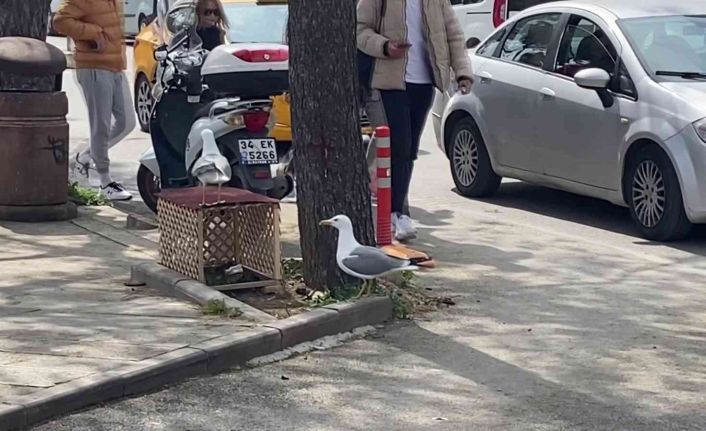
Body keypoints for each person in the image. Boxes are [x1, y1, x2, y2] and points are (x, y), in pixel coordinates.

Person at [357, 0, 472, 241]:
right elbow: (360, 29)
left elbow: (453, 34)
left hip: (424, 83)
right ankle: (397, 213)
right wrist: (385, 46)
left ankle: (396, 211)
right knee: (399, 147)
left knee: (409, 151)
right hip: (389, 82)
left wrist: (462, 72)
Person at [54, 0, 135, 201]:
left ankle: (83, 158)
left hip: (116, 65)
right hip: (94, 67)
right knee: (101, 126)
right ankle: (105, 182)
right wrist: (92, 33)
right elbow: (60, 21)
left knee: (126, 123)